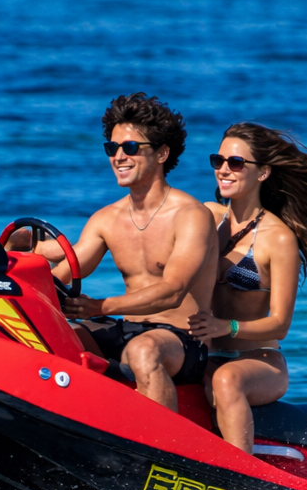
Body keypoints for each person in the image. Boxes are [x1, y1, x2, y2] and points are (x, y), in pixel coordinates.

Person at [13, 93, 217, 412]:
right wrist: (18, 261)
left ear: (162, 153)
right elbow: (66, 273)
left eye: (130, 147)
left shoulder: (191, 215)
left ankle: (159, 440)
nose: (119, 157)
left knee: (143, 350)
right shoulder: (106, 219)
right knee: (53, 335)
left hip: (183, 341)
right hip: (127, 330)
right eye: (112, 148)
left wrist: (100, 306)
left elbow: (173, 291)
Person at [189, 122, 307, 454]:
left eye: (236, 162)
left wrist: (226, 326)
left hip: (257, 361)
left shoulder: (278, 238)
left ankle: (239, 474)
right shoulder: (207, 215)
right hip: (206, 355)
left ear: (263, 172)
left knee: (226, 381)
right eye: (218, 161)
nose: (223, 169)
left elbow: (280, 324)